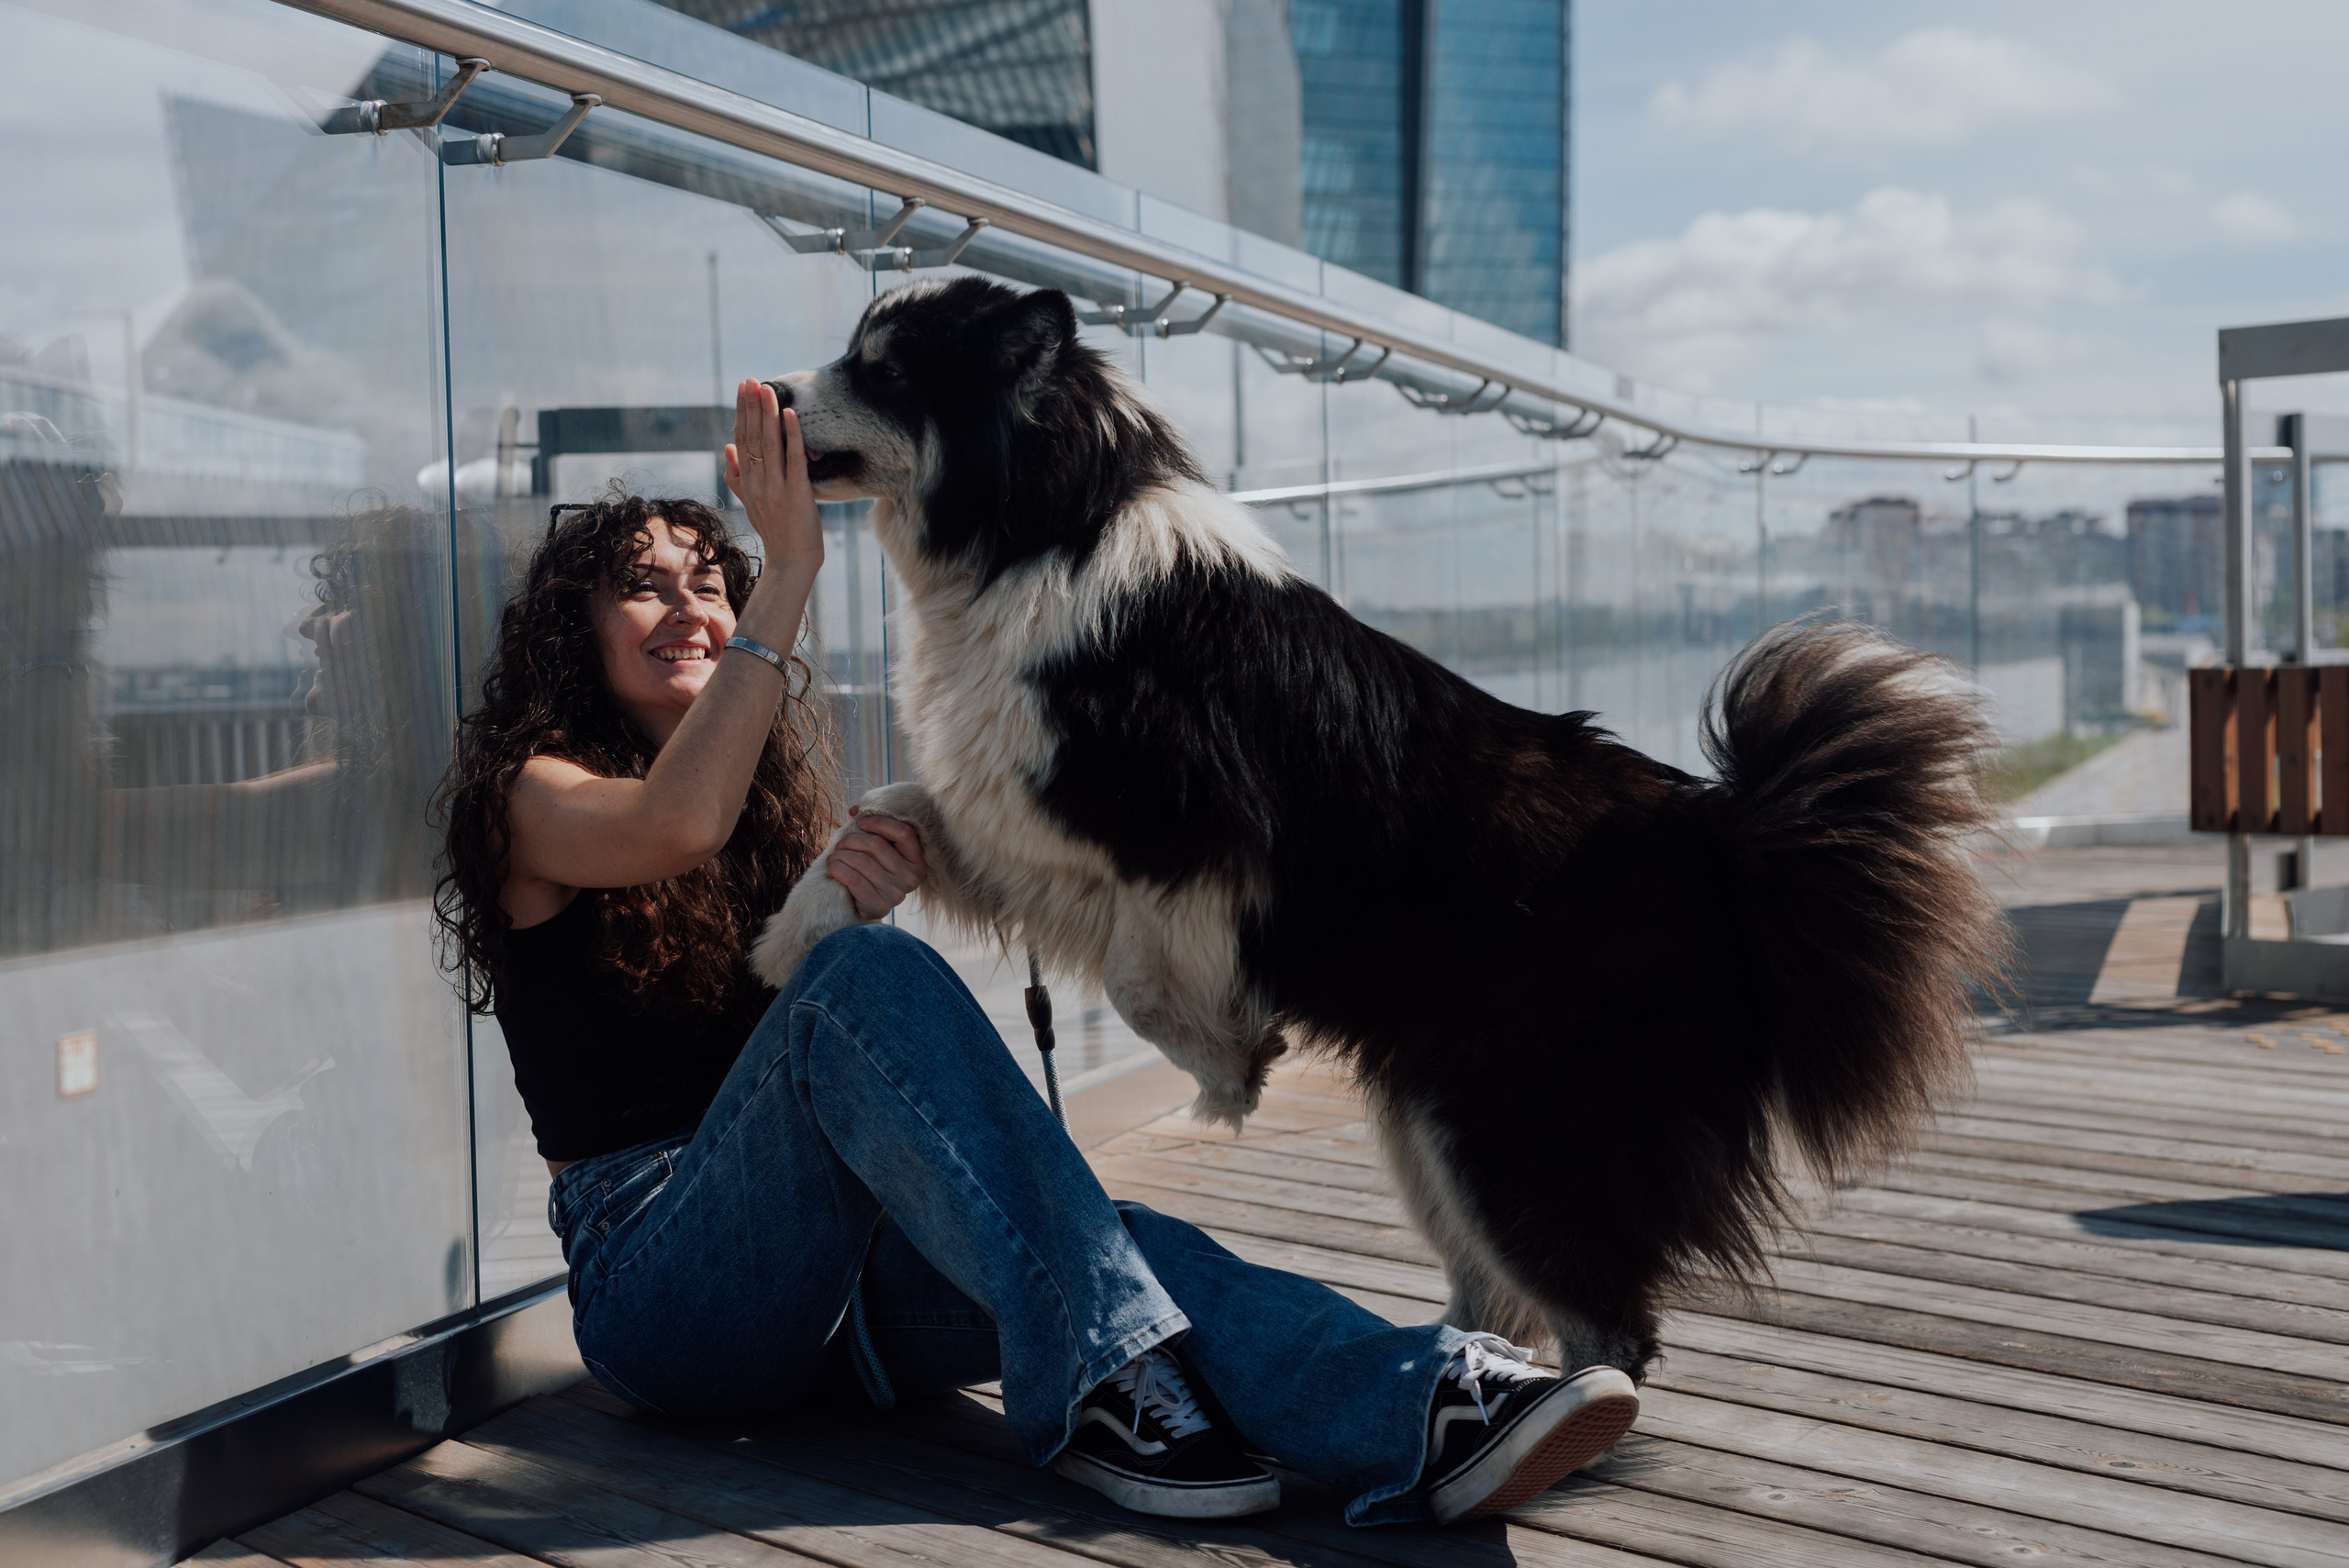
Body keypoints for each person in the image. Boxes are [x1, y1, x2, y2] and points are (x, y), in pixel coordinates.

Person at [430, 379, 1638, 1528]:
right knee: (876, 1003)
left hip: (835, 1286)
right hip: (664, 1294)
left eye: (712, 580)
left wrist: (844, 912)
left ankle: (1431, 1404)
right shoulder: (529, 798)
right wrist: (791, 565)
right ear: (570, 630)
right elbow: (670, 825)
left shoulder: (752, 807)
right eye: (647, 588)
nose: (695, 609)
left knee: (1112, 1244)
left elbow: (795, 1065)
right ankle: (1107, 1388)